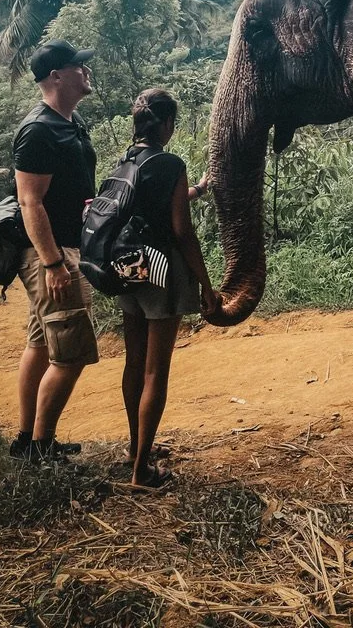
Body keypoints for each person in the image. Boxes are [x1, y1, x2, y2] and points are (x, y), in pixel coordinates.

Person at [118, 87, 218, 487]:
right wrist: (206, 286)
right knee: (156, 372)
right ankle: (143, 471)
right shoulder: (171, 163)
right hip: (161, 274)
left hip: (128, 271)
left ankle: (134, 448)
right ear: (166, 124)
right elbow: (181, 230)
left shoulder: (126, 159)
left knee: (133, 364)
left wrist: (196, 191)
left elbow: (147, 208)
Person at [10, 40, 99, 462]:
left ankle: (27, 439)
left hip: (66, 247)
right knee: (72, 350)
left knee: (41, 344)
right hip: (53, 254)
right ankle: (41, 450)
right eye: (77, 66)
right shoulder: (39, 129)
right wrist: (54, 264)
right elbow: (30, 201)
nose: (85, 71)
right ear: (55, 77)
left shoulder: (70, 120)